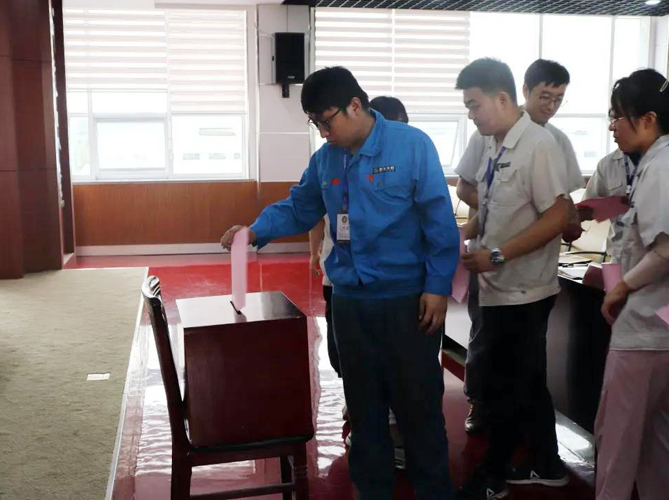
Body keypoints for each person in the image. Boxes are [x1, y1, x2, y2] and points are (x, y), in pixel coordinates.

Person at [222, 67, 460, 500]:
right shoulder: (326, 159)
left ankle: (434, 491)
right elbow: (299, 206)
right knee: (364, 413)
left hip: (407, 302)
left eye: (326, 121)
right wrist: (254, 231)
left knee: (419, 411)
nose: (323, 132)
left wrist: (438, 286)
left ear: (355, 105)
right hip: (350, 303)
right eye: (315, 124)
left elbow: (439, 221)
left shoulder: (412, 146)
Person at [453, 58, 571, 499]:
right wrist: (471, 232)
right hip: (498, 286)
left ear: (502, 98)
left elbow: (559, 214)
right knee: (525, 381)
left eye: (474, 105)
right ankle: (545, 463)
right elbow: (497, 204)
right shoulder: (496, 143)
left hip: (524, 289)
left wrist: (498, 255)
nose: (471, 114)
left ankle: (491, 476)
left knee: (507, 386)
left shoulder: (538, 144)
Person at [595, 68, 669, 500]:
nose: (613, 126)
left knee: (617, 443)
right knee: (662, 445)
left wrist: (622, 287)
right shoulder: (665, 163)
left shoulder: (664, 168)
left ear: (649, 119)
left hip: (647, 332)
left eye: (618, 117)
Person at [308, 94, 411, 469]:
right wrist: (313, 251)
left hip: (389, 285)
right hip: (341, 280)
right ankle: (362, 406)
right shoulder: (331, 158)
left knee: (391, 360)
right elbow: (311, 207)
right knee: (344, 354)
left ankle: (393, 431)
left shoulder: (407, 161)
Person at [579, 148, 641, 262]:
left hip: (653, 255)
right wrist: (569, 217)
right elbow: (587, 207)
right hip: (618, 254)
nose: (615, 139)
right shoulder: (607, 164)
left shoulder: (662, 160)